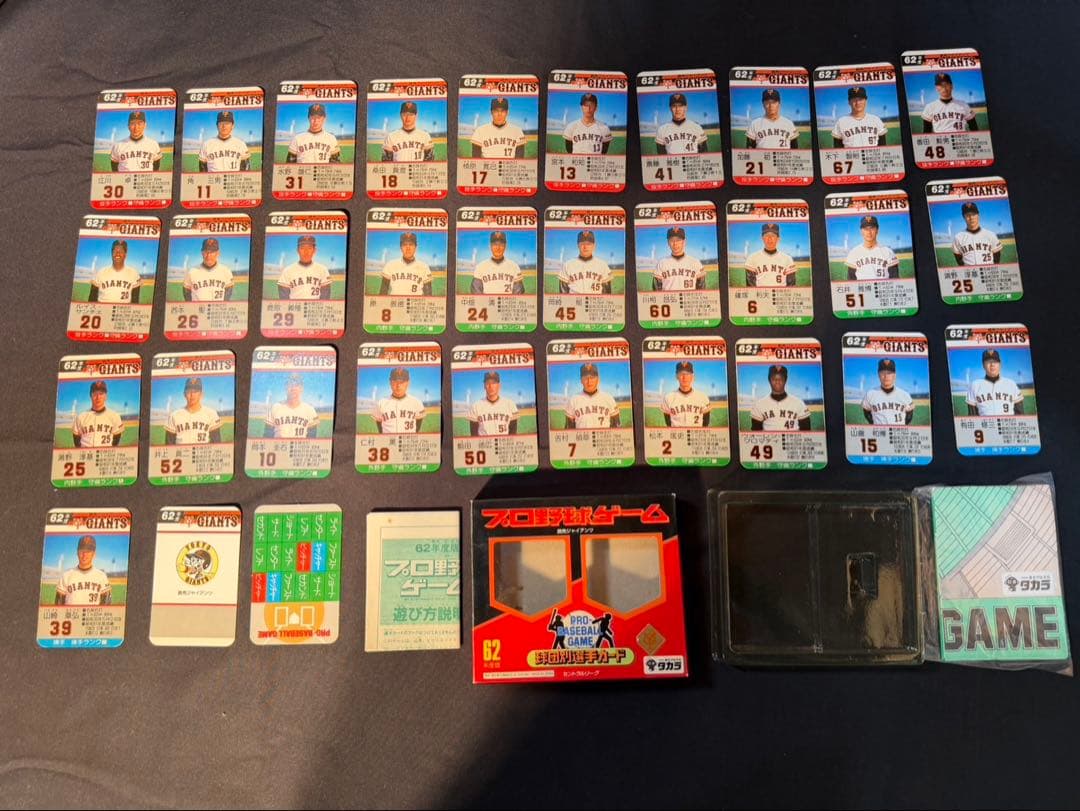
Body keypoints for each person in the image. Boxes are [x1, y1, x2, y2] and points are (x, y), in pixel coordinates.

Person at [750, 364, 811, 431]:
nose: (777, 381)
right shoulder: (759, 404)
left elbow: (807, 430)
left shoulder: (799, 403)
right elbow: (755, 431)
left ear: (785, 380)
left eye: (781, 378)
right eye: (774, 379)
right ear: (769, 380)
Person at [55, 535, 112, 606]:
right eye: (82, 550)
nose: (84, 554)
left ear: (94, 554)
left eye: (88, 551)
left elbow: (107, 604)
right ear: (77, 552)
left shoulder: (101, 576)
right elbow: (58, 605)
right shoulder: (66, 576)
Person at [165, 377, 223, 444]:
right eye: (189, 391)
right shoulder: (174, 415)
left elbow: (217, 443)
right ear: (184, 394)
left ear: (202, 394)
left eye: (195, 391)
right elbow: (169, 444)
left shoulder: (211, 414)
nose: (192, 395)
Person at [966, 349, 1024, 416]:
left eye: (995, 361)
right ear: (983, 365)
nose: (992, 364)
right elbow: (972, 416)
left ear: (1000, 364)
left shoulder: (1011, 384)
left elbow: (1020, 414)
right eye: (988, 361)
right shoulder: (975, 385)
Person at [565, 363, 620, 429]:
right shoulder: (573, 400)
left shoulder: (608, 398)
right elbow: (569, 429)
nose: (589, 381)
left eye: (592, 377)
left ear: (598, 379)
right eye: (585, 378)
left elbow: (617, 426)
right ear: (581, 380)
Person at [265, 374, 320, 438]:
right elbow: (267, 436)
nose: (293, 388)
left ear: (302, 388)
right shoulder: (275, 407)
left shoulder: (310, 410)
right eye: (290, 384)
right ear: (285, 387)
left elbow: (312, 438)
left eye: (297, 385)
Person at [845, 215, 900, 280]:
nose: (869, 232)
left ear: (877, 230)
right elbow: (851, 280)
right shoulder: (854, 253)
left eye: (872, 228)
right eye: (866, 229)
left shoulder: (888, 252)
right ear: (861, 231)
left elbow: (895, 279)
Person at [373, 367, 426, 434]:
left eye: (402, 382)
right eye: (395, 381)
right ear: (390, 382)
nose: (398, 385)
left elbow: (418, 425)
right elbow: (379, 425)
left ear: (408, 383)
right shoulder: (381, 403)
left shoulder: (416, 402)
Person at [652, 226, 706, 291]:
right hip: (669, 297)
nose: (675, 243)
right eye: (672, 240)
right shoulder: (661, 263)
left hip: (689, 297)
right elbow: (656, 289)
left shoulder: (695, 262)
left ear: (684, 242)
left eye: (678, 240)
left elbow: (701, 288)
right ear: (668, 243)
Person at [72, 380, 123, 448]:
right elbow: (76, 440)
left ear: (106, 396)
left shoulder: (115, 416)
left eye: (101, 394)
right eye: (95, 394)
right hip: (86, 453)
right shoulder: (81, 417)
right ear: (90, 396)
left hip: (106, 453)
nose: (98, 397)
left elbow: (117, 438)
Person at [861, 359, 914, 425]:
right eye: (882, 373)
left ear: (894, 375)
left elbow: (909, 416)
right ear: (878, 375)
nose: (886, 376)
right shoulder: (870, 394)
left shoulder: (905, 395)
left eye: (889, 373)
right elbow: (867, 413)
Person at [278, 235, 331, 300]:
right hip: (294, 306)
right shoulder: (287, 271)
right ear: (297, 250)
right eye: (302, 248)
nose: (306, 252)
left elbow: (325, 297)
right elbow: (283, 298)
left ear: (314, 250)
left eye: (309, 248)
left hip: (316, 306)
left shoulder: (323, 270)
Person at [559, 230, 612, 294]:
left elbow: (607, 292)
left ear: (594, 246)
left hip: (596, 299)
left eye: (588, 244)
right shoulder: (567, 265)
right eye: (582, 244)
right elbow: (563, 292)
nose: (585, 247)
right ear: (578, 245)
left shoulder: (602, 265)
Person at [744, 223, 796, 287]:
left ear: (778, 238)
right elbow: (750, 287)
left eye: (773, 235)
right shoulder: (752, 258)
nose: (769, 238)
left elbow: (791, 286)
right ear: (762, 238)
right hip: (760, 293)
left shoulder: (788, 259)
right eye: (766, 235)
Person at [467, 371, 518, 436]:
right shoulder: (476, 406)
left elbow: (513, 434)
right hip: (484, 442)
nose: (490, 386)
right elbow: (474, 435)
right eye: (487, 383)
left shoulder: (510, 404)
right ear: (484, 386)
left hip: (504, 441)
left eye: (494, 383)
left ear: (499, 385)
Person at [89, 239, 141, 303]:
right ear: (111, 254)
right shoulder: (100, 272)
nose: (117, 253)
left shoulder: (134, 273)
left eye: (121, 251)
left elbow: (135, 301)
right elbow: (92, 299)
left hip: (123, 308)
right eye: (115, 251)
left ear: (125, 255)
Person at [661, 361, 712, 427]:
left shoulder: (703, 397)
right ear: (676, 376)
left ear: (692, 376)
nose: (684, 377)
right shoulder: (668, 397)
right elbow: (668, 423)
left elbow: (706, 423)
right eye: (681, 374)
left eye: (688, 374)